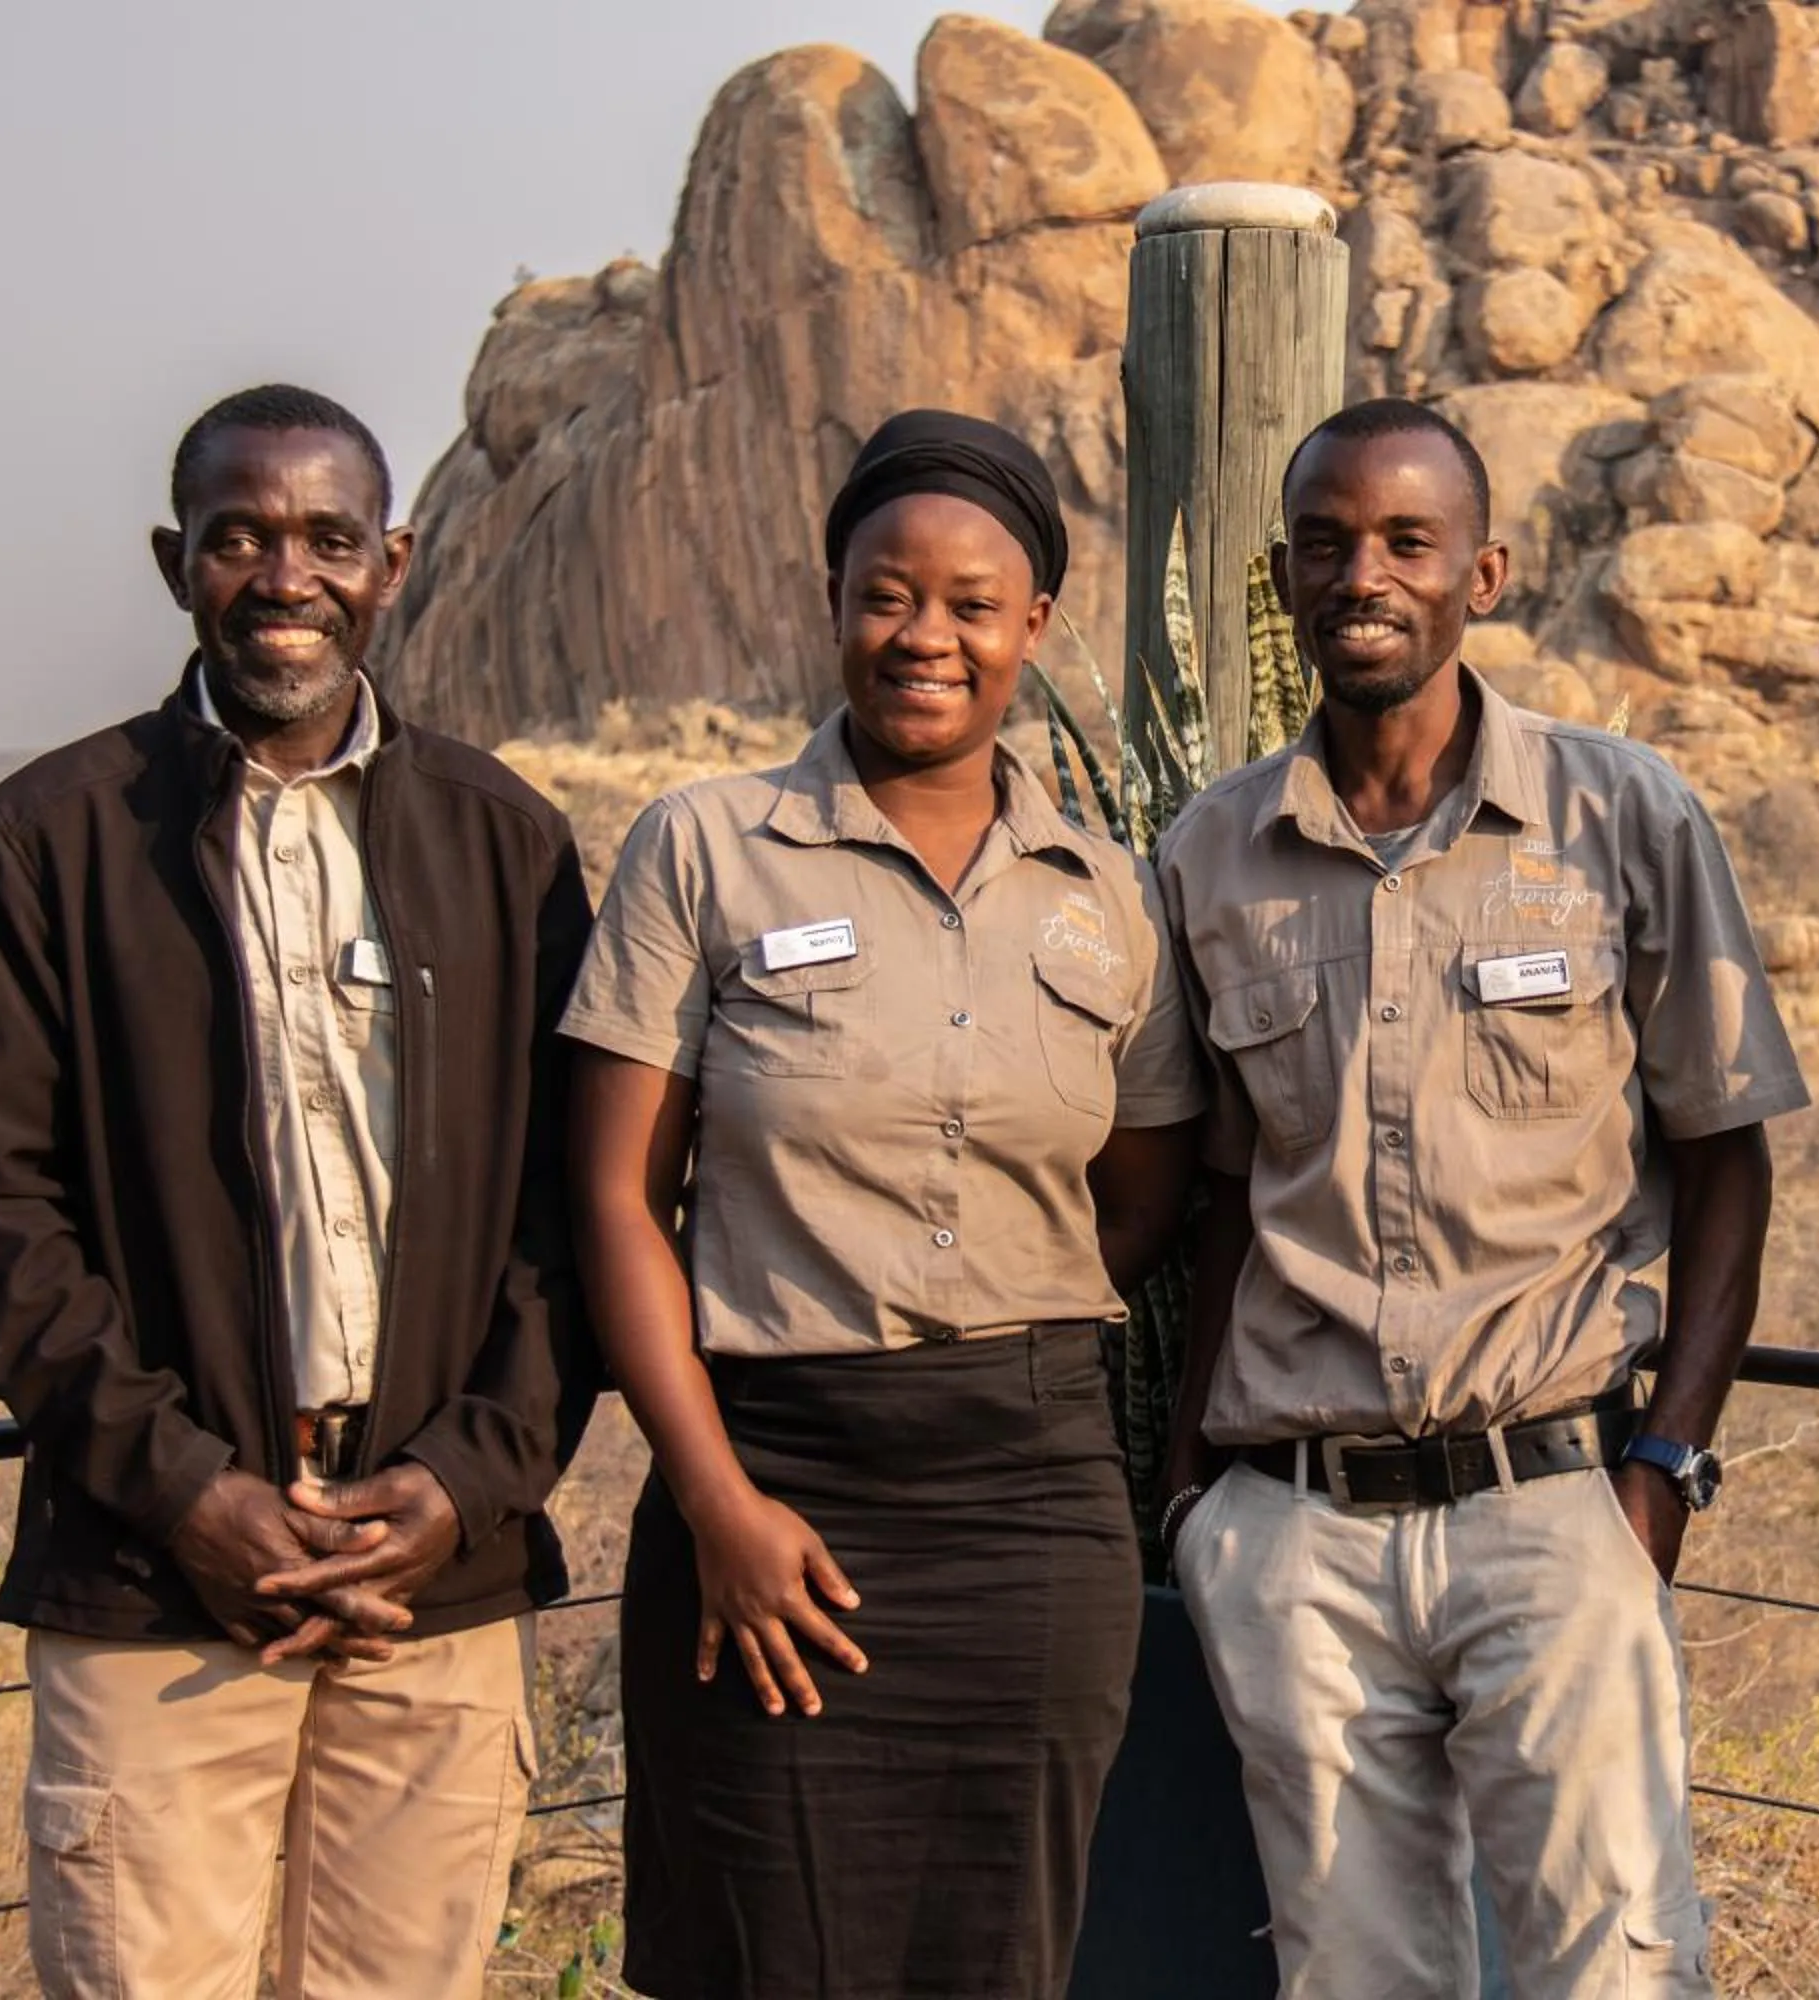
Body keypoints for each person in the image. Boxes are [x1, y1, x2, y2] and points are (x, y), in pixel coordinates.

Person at [0, 383, 593, 1999]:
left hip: (433, 1582)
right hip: (156, 1586)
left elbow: (578, 1214)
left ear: (395, 562)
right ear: (177, 563)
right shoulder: (48, 841)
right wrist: (189, 1493)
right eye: (240, 538)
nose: (286, 577)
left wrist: (464, 1482)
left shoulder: (509, 847)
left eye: (327, 539)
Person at [1151, 398, 1809, 1998]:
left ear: (1485, 574)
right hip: (1297, 1535)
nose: (1359, 574)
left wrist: (1667, 1467)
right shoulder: (1208, 856)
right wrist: (1189, 1499)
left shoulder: (1619, 818)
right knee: (1353, 1974)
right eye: (1324, 544)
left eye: (1404, 542)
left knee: (1615, 1965)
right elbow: (1221, 1197)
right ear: (1283, 581)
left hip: (1555, 1510)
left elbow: (1727, 1153)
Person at [563, 408, 1204, 2000]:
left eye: (973, 605)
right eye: (888, 595)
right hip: (772, 1484)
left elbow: (1141, 1200)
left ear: (1033, 627)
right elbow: (614, 1202)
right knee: (771, 1953)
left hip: (1031, 1510)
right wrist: (716, 1503)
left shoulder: (1104, 894)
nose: (927, 637)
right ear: (835, 598)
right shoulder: (706, 850)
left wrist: (979, 1300)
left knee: (1004, 1952)